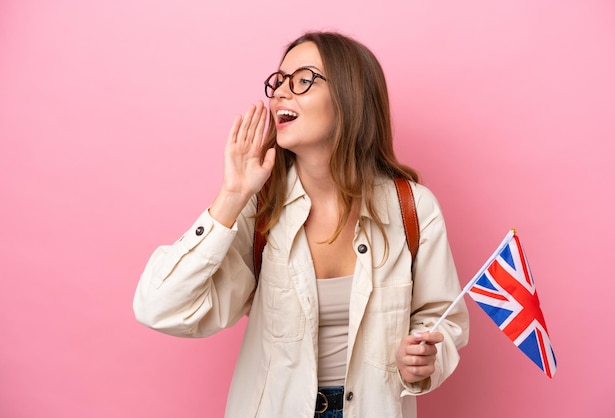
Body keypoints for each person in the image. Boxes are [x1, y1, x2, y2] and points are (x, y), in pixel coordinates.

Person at [133, 31, 469, 418]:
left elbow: (444, 321)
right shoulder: (260, 207)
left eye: (303, 80)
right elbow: (157, 306)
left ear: (350, 95)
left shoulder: (413, 207)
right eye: (278, 81)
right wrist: (231, 195)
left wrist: (425, 359)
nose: (279, 94)